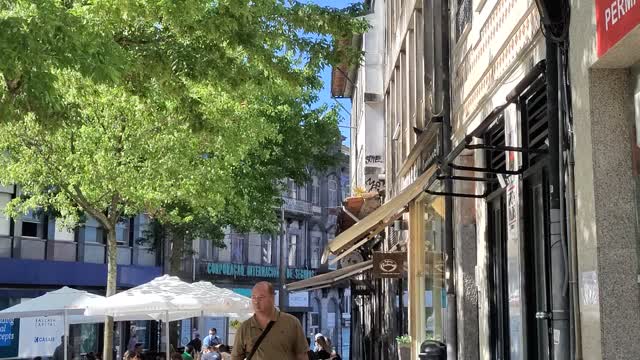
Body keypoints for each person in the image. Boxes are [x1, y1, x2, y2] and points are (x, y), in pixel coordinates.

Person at [231, 281, 309, 360]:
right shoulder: (245, 328)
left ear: (272, 298)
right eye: (253, 297)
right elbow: (236, 357)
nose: (256, 302)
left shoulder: (291, 323)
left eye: (261, 297)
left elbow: (302, 355)